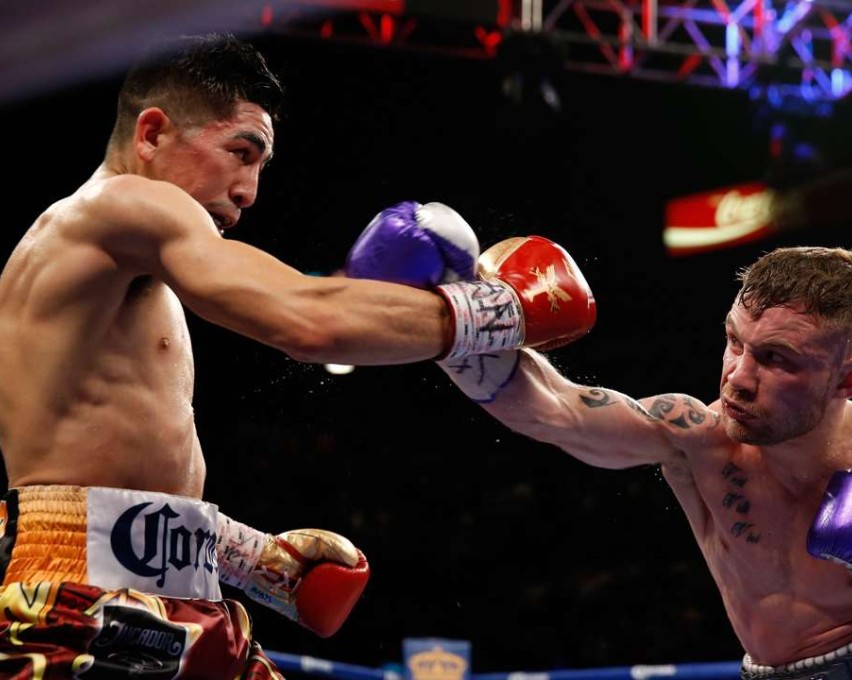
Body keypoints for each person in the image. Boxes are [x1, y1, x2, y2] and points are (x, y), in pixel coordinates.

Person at [0, 33, 595, 678]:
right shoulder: (119, 205)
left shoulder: (123, 270)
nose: (250, 190)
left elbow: (104, 471)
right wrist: (502, 311)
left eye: (260, 165)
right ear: (151, 134)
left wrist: (252, 560)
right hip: (83, 599)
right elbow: (306, 319)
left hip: (167, 599)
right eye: (240, 152)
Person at [344, 228, 852, 679]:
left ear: (849, 379)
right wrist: (457, 311)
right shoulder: (699, 436)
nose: (737, 376)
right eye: (734, 341)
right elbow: (554, 411)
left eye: (776, 359)